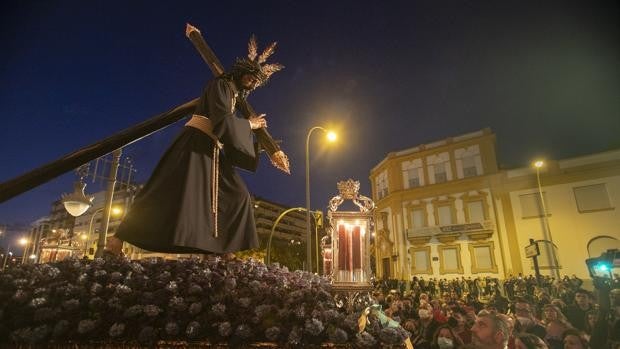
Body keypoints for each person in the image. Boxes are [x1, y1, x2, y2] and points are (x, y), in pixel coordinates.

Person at [110, 36, 283, 257]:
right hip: (193, 144)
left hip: (211, 149)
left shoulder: (232, 94)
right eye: (252, 77)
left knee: (238, 195)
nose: (254, 82)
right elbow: (221, 120)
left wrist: (258, 145)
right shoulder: (221, 85)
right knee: (162, 192)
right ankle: (117, 240)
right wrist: (250, 124)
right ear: (241, 72)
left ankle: (222, 249)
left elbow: (228, 133)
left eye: (257, 81)